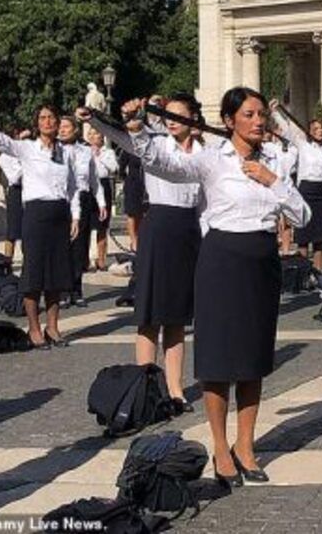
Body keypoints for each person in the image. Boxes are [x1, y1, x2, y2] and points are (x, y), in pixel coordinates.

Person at [124, 88, 308, 487]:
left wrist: (272, 180)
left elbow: (302, 214)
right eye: (249, 114)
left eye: (262, 114)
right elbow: (163, 163)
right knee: (219, 360)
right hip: (221, 258)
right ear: (229, 121)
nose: (259, 121)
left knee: (253, 359)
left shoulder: (274, 159)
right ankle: (221, 446)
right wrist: (139, 129)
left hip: (262, 260)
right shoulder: (211, 158)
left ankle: (246, 445)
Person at [82, 94, 204, 412]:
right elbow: (121, 136)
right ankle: (146, 386)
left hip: (190, 230)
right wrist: (94, 118)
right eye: (168, 115)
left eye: (180, 114)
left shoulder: (206, 152)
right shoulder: (155, 143)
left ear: (194, 117)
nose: (172, 120)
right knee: (150, 315)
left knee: (177, 318)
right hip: (160, 226)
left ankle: (176, 389)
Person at [0, 102, 81, 348]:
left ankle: (53, 327)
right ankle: (34, 328)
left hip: (60, 213)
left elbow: (73, 187)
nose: (47, 121)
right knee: (34, 273)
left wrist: (75, 216)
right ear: (37, 123)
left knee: (57, 275)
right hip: (36, 213)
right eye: (43, 118)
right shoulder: (26, 148)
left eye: (51, 117)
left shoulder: (66, 153)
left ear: (58, 123)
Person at [271, 105, 322, 276]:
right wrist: (276, 112)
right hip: (306, 191)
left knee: (319, 239)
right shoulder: (303, 145)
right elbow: (288, 130)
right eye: (315, 129)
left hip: (321, 193)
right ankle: (303, 274)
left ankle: (318, 272)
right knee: (303, 238)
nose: (320, 132)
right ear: (310, 132)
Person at [58, 116, 106, 307]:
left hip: (83, 197)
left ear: (76, 130)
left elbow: (94, 179)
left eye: (66, 126)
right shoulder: (54, 150)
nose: (62, 130)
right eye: (60, 127)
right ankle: (62, 289)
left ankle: (76, 287)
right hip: (63, 199)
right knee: (63, 245)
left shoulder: (86, 151)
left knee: (80, 245)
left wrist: (101, 202)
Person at [87, 126, 119, 271]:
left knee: (102, 226)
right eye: (91, 133)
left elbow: (113, 168)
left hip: (103, 184)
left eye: (97, 133)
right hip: (88, 187)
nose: (94, 136)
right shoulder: (83, 151)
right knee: (85, 225)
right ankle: (84, 259)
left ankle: (101, 259)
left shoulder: (108, 152)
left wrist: (99, 155)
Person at [0, 131, 27, 262]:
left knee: (30, 230)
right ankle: (7, 261)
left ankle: (29, 262)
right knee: (13, 230)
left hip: (32, 191)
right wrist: (24, 165)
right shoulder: (5, 157)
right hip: (17, 191)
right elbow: (14, 178)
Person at [119, 146, 146, 252]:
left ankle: (142, 239)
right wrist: (128, 179)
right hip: (133, 184)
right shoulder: (128, 147)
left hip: (147, 184)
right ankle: (134, 241)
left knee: (144, 214)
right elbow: (121, 168)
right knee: (132, 214)